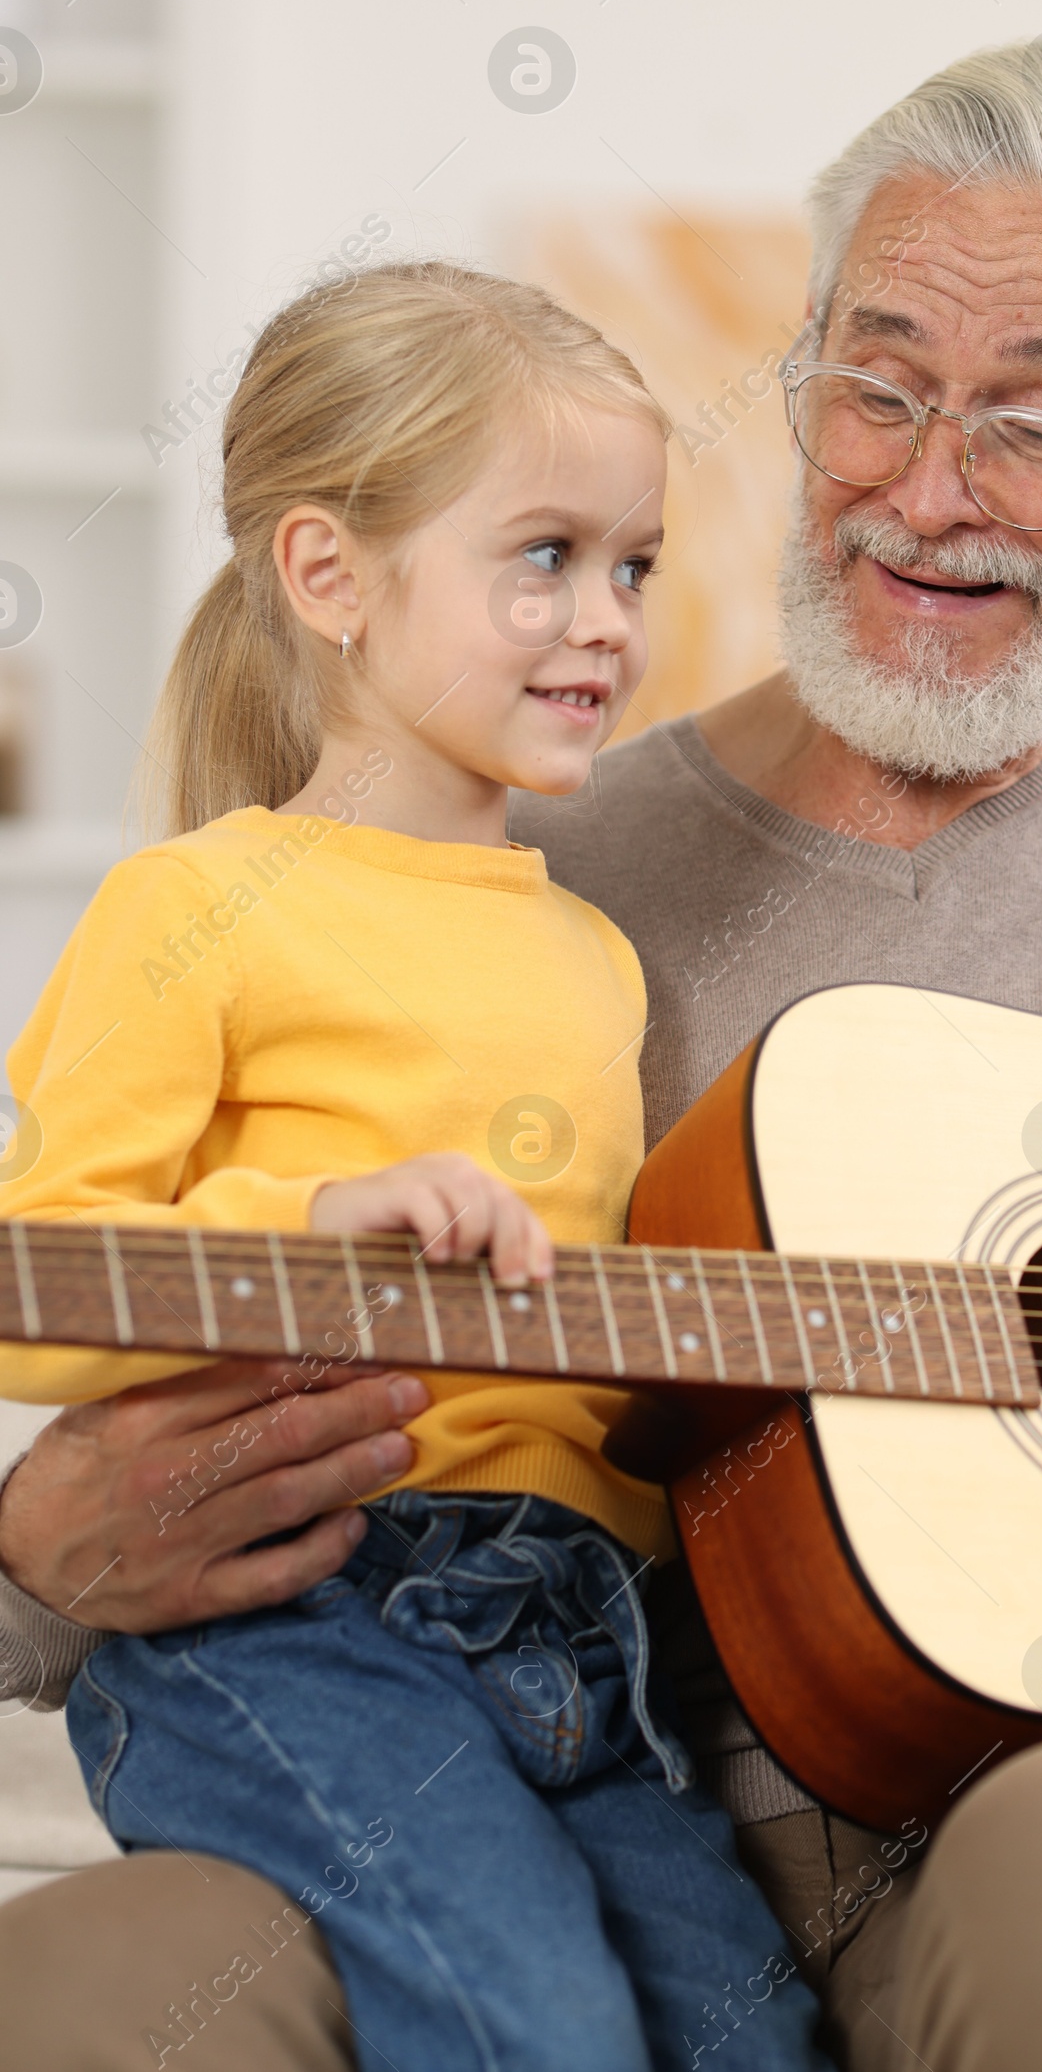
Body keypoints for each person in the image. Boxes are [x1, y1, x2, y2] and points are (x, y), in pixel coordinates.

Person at [4, 40, 1042, 2071]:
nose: (925, 491)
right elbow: (136, 1283)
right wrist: (36, 1567)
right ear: (794, 386)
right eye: (875, 386)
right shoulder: (505, 872)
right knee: (92, 1988)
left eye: (1033, 421)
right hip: (555, 1779)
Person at [0, 262, 823, 2072]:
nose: (604, 616)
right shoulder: (195, 905)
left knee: (756, 2046)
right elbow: (37, 1286)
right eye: (540, 555)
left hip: (584, 1632)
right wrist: (309, 1229)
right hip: (295, 1616)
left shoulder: (593, 956)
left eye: (632, 561)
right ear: (329, 578)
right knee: (535, 2024)